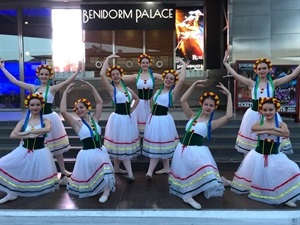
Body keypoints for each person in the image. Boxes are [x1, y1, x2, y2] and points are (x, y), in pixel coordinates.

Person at [0, 60, 82, 177]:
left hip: (49, 118)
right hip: (35, 119)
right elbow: (15, 81)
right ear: (38, 75)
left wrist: (77, 72)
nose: (44, 76)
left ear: (50, 76)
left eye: (46, 74)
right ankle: (33, 171)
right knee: (32, 146)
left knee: (56, 147)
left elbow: (66, 82)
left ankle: (62, 169)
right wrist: (2, 68)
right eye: (42, 74)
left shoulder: (52, 89)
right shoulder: (34, 88)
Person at [222, 97, 300, 207]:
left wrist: (270, 130)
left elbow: (286, 133)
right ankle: (263, 193)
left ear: (276, 110)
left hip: (274, 155)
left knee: (293, 169)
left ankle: (284, 196)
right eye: (265, 110)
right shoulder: (259, 122)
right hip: (258, 156)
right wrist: (273, 130)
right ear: (261, 111)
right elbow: (254, 129)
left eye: (270, 110)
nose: (268, 112)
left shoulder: (281, 123)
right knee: (257, 178)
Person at [169, 80, 233, 210]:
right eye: (206, 104)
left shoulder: (211, 124)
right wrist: (194, 84)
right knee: (188, 172)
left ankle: (190, 194)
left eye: (211, 105)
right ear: (202, 105)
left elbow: (229, 116)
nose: (208, 107)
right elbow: (183, 101)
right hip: (182, 149)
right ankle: (188, 194)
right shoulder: (192, 116)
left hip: (197, 151)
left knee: (206, 169)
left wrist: (229, 95)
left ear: (214, 108)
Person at [223, 50, 300, 156]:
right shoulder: (251, 83)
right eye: (259, 69)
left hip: (270, 116)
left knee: (271, 144)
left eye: (264, 68)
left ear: (269, 69)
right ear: (256, 70)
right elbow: (235, 75)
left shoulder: (274, 83)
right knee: (251, 147)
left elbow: (293, 75)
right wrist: (225, 63)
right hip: (254, 115)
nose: (262, 70)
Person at [60, 80, 115, 203]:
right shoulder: (77, 124)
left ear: (87, 109)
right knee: (89, 177)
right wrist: (65, 93)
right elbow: (63, 111)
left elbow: (100, 102)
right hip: (87, 153)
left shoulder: (95, 119)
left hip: (100, 150)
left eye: (81, 107)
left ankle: (106, 190)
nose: (78, 110)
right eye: (76, 109)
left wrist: (92, 88)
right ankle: (68, 181)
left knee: (105, 168)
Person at [0, 93, 59, 204]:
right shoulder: (23, 122)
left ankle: (39, 202)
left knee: (35, 177)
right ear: (28, 106)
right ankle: (11, 192)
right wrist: (27, 136)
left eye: (37, 105)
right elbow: (13, 134)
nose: (35, 107)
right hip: (24, 150)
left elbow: (47, 129)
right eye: (32, 105)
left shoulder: (45, 120)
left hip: (40, 152)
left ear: (41, 106)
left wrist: (30, 131)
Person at [142, 57, 187, 179]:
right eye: (167, 78)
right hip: (154, 120)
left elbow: (182, 80)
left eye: (171, 79)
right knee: (161, 144)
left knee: (159, 144)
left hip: (163, 120)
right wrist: (151, 112)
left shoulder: (172, 93)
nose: (168, 80)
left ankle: (149, 172)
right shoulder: (158, 91)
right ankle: (167, 167)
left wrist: (183, 65)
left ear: (173, 82)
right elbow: (152, 102)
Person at [100, 54, 140, 182]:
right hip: (118, 119)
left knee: (121, 144)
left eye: (117, 74)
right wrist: (107, 59)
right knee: (120, 144)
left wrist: (132, 110)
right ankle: (130, 174)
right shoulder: (112, 89)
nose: (115, 76)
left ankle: (117, 168)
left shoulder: (127, 88)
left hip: (127, 119)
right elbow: (101, 75)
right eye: (113, 75)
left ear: (120, 75)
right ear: (111, 77)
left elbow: (137, 98)